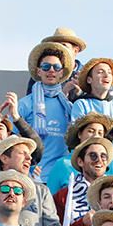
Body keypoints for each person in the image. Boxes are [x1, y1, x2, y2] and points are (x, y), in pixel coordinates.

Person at [71, 57, 113, 178]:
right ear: (89, 79)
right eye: (100, 72)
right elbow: (81, 142)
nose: (106, 75)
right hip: (92, 171)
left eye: (109, 72)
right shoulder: (81, 104)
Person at [19, 41, 75, 179]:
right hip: (33, 176)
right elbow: (13, 140)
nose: (51, 70)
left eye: (56, 67)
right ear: (38, 71)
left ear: (61, 72)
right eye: (46, 66)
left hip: (62, 178)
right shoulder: (25, 103)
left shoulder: (69, 107)